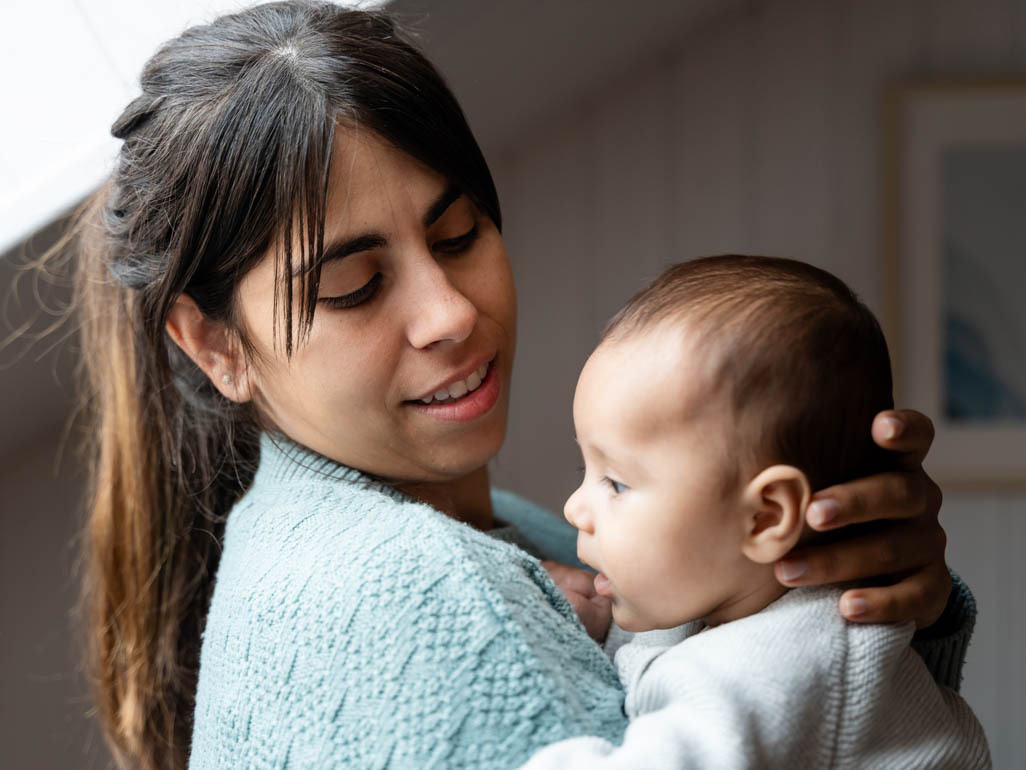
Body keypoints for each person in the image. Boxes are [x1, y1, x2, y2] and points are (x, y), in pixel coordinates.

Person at [63, 3, 970, 769]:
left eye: (458, 234)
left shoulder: (510, 530)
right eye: (354, 287)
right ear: (215, 343)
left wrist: (865, 610)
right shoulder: (416, 593)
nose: (450, 312)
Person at [523, 256, 990, 768]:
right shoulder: (724, 595)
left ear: (766, 517)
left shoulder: (785, 662)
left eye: (616, 482)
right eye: (584, 468)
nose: (574, 508)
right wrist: (601, 627)